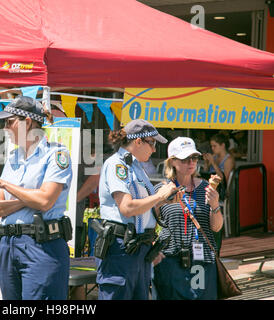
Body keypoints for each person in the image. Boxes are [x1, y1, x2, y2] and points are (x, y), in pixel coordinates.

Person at [0, 96, 73, 300]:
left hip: (41, 245)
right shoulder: (14, 158)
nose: (5, 128)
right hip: (8, 245)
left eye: (9, 122)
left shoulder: (57, 154)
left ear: (27, 122)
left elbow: (45, 201)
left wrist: (5, 185)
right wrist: (28, 198)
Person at [95, 119, 178, 300]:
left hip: (139, 247)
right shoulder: (117, 165)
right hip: (121, 247)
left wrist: (164, 202)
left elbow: (142, 208)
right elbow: (127, 207)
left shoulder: (136, 167)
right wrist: (160, 196)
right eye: (152, 143)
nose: (154, 149)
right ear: (138, 141)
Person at [153, 137, 223, 300]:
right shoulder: (161, 189)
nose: (191, 162)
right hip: (170, 258)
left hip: (202, 260)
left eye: (194, 158)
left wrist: (214, 205)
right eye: (185, 159)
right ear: (172, 162)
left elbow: (216, 227)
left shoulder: (206, 187)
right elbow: (149, 224)